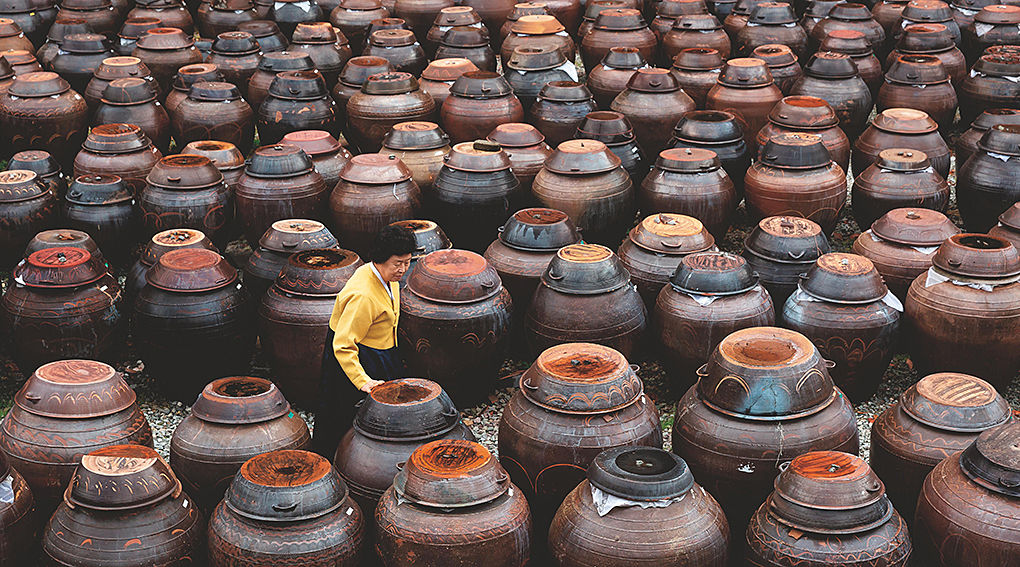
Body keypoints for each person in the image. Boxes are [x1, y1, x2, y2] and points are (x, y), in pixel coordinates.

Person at [313, 224, 416, 459]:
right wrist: (363, 381)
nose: (403, 269)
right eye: (397, 263)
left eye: (407, 261)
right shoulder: (363, 295)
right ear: (379, 259)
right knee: (348, 417)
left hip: (381, 350)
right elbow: (343, 344)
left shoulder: (386, 277)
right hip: (359, 356)